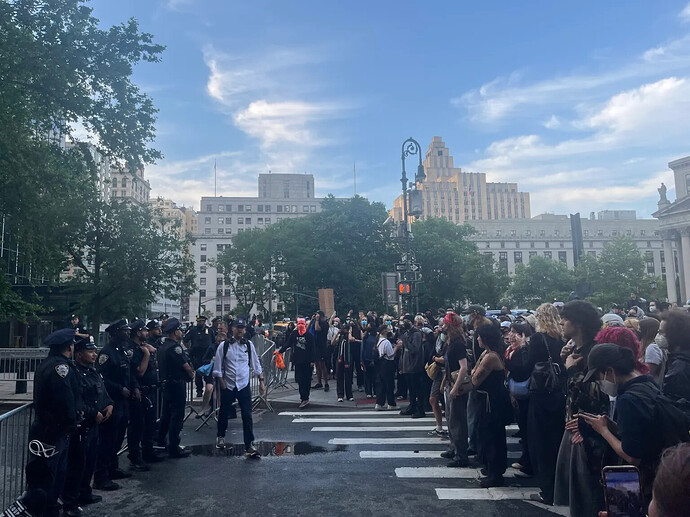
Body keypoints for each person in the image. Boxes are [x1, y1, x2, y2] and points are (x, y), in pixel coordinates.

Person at [579, 344, 668, 504]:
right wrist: (613, 425)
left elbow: (632, 456)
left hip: (643, 478)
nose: (601, 382)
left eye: (600, 376)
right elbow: (642, 429)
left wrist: (604, 431)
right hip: (660, 467)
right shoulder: (647, 383)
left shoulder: (627, 400)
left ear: (609, 371)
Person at [554, 300, 612, 517]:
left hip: (587, 431)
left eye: (565, 319)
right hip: (574, 424)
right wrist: (565, 364)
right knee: (575, 493)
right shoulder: (574, 349)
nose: (561, 323)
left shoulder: (594, 352)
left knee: (587, 493)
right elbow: (569, 390)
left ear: (577, 323)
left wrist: (571, 370)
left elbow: (598, 393)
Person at [25, 329, 81, 517]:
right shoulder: (60, 368)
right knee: (49, 475)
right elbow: (65, 399)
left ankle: (50, 508)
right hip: (53, 430)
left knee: (53, 473)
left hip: (49, 428)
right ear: (68, 347)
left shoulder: (48, 364)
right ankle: (45, 511)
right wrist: (72, 422)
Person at [62, 336, 113, 514]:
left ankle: (85, 492)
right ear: (79, 354)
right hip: (83, 425)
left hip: (95, 426)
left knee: (90, 461)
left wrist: (109, 404)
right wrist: (93, 412)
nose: (94, 354)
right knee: (78, 464)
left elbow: (102, 391)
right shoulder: (75, 373)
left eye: (94, 350)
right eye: (90, 351)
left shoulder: (92, 371)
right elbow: (77, 400)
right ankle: (71, 499)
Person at [94, 319, 136, 490]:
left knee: (118, 437)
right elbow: (102, 378)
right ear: (115, 333)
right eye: (124, 330)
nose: (127, 333)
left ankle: (113, 468)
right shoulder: (107, 353)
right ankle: (101, 477)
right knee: (107, 440)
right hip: (112, 401)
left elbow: (128, 373)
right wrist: (120, 389)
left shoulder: (122, 351)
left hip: (123, 401)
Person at [213, 317, 264, 456]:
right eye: (237, 327)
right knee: (224, 412)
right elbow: (217, 365)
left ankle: (249, 444)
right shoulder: (224, 346)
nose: (240, 330)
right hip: (228, 384)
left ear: (245, 330)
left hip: (243, 384)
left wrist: (261, 380)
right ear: (232, 329)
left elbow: (255, 363)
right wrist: (221, 380)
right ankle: (221, 437)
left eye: (242, 328)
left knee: (247, 415)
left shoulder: (249, 345)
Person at [472, 324, 511, 487]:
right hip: (486, 399)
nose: (477, 339)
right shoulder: (486, 353)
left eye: (480, 336)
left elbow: (474, 379)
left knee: (492, 436)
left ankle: (496, 474)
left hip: (492, 401)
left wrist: (474, 372)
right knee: (485, 434)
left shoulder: (491, 357)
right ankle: (490, 467)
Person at [128, 319, 162, 469]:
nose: (146, 333)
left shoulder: (143, 346)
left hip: (150, 389)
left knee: (149, 424)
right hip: (140, 391)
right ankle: (135, 456)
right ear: (137, 332)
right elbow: (140, 372)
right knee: (138, 425)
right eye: (144, 330)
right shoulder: (134, 350)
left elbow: (154, 367)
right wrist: (147, 354)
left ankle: (148, 452)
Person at [157, 317, 194, 458]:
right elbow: (185, 366)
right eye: (180, 330)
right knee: (177, 416)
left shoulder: (162, 347)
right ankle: (174, 446)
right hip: (176, 385)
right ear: (175, 331)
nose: (181, 333)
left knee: (166, 415)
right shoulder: (174, 347)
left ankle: (162, 442)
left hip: (166, 385)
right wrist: (191, 374)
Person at [503, 320, 535, 479]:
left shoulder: (524, 350)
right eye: (510, 332)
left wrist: (521, 348)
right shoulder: (510, 350)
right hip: (516, 393)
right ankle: (526, 458)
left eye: (516, 333)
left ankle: (528, 461)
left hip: (525, 394)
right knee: (524, 428)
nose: (511, 336)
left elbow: (521, 369)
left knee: (527, 429)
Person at [440, 314, 471, 468]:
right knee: (451, 418)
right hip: (450, 383)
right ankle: (454, 448)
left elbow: (463, 367)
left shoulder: (457, 343)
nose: (442, 326)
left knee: (457, 420)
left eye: (444, 324)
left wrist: (456, 387)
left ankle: (461, 454)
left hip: (456, 385)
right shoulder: (450, 342)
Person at [279, 317, 315, 408]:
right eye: (299, 324)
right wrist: (280, 351)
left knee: (306, 380)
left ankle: (305, 398)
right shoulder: (294, 334)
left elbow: (313, 349)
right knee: (299, 379)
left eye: (302, 324)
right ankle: (302, 398)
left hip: (307, 361)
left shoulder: (309, 336)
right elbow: (288, 343)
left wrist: (312, 361)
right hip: (298, 361)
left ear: (305, 325)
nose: (300, 326)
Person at [397, 314, 425, 418]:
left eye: (407, 321)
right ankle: (412, 406)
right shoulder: (407, 333)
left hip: (414, 365)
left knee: (417, 388)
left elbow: (414, 349)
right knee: (411, 389)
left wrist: (404, 339)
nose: (404, 323)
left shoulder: (416, 333)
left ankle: (420, 409)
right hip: (407, 366)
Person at [658, 309, 690, 402]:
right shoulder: (680, 359)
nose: (658, 336)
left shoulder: (680, 367)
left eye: (661, 332)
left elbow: (675, 408)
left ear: (674, 334)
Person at [183, 315, 215, 398]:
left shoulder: (210, 330)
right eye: (199, 321)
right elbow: (185, 340)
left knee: (208, 373)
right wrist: (190, 348)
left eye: (201, 321)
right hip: (197, 355)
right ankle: (199, 390)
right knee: (198, 374)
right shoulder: (193, 330)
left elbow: (213, 341)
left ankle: (209, 389)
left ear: (204, 322)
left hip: (207, 355)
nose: (200, 323)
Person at [374, 324, 396, 410]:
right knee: (389, 385)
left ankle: (379, 403)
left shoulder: (378, 341)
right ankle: (391, 403)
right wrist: (396, 348)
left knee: (381, 385)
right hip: (388, 365)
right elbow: (390, 355)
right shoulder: (386, 342)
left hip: (380, 365)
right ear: (384, 331)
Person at [334, 322, 355, 402]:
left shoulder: (349, 337)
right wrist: (337, 333)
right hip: (340, 358)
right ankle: (340, 394)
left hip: (348, 359)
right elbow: (333, 342)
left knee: (348, 378)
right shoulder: (341, 337)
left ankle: (349, 394)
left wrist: (350, 332)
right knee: (339, 377)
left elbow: (350, 339)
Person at [310, 311, 330, 392]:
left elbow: (317, 329)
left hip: (321, 346)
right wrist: (312, 320)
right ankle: (319, 382)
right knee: (317, 365)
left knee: (322, 365)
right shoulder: (315, 322)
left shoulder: (324, 323)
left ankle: (326, 383)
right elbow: (309, 329)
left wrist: (317, 320)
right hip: (315, 346)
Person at [360, 316, 378, 399]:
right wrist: (361, 360)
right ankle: (369, 391)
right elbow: (362, 348)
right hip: (367, 358)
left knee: (374, 376)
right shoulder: (366, 336)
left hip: (373, 358)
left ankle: (374, 391)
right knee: (367, 376)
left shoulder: (376, 337)